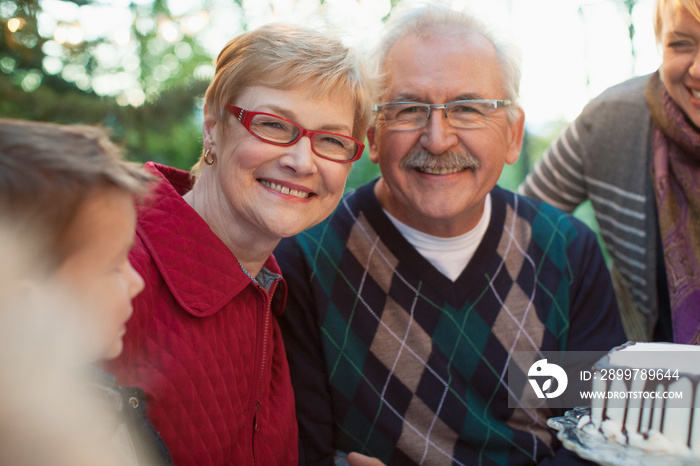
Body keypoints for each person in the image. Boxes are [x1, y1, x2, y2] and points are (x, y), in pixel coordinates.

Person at [275, 5, 627, 465]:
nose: (438, 139)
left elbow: (600, 432)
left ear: (513, 134)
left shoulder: (567, 251)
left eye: (467, 109)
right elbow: (302, 451)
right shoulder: (304, 258)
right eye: (408, 109)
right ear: (373, 135)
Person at [103, 22, 373, 465]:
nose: (301, 161)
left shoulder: (266, 288)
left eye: (330, 139)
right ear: (212, 126)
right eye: (273, 124)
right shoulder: (111, 267)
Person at [519, 0, 700, 344]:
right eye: (680, 44)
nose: (697, 69)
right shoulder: (611, 120)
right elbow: (516, 229)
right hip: (653, 386)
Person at [0, 118, 171, 466]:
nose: (136, 281)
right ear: (24, 305)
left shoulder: (102, 404)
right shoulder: (43, 445)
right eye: (113, 266)